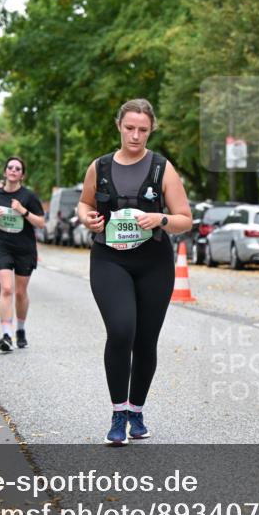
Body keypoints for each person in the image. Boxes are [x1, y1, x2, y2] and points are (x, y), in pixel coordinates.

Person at [77, 98, 192, 446]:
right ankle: (117, 413)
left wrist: (161, 219)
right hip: (109, 259)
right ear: (119, 127)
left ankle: (136, 410)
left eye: (143, 129)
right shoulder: (99, 167)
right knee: (122, 329)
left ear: (150, 129)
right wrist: (87, 217)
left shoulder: (162, 169)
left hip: (154, 261)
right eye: (130, 128)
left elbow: (184, 218)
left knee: (145, 340)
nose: (136, 135)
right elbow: (85, 203)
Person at [0, 159, 45, 351]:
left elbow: (41, 223)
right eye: (10, 167)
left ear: (22, 175)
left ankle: (20, 329)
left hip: (24, 249)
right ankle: (6, 335)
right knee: (7, 289)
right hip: (0, 245)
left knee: (20, 292)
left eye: (17, 169)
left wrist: (23, 211)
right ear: (5, 172)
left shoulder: (29, 196)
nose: (13, 170)